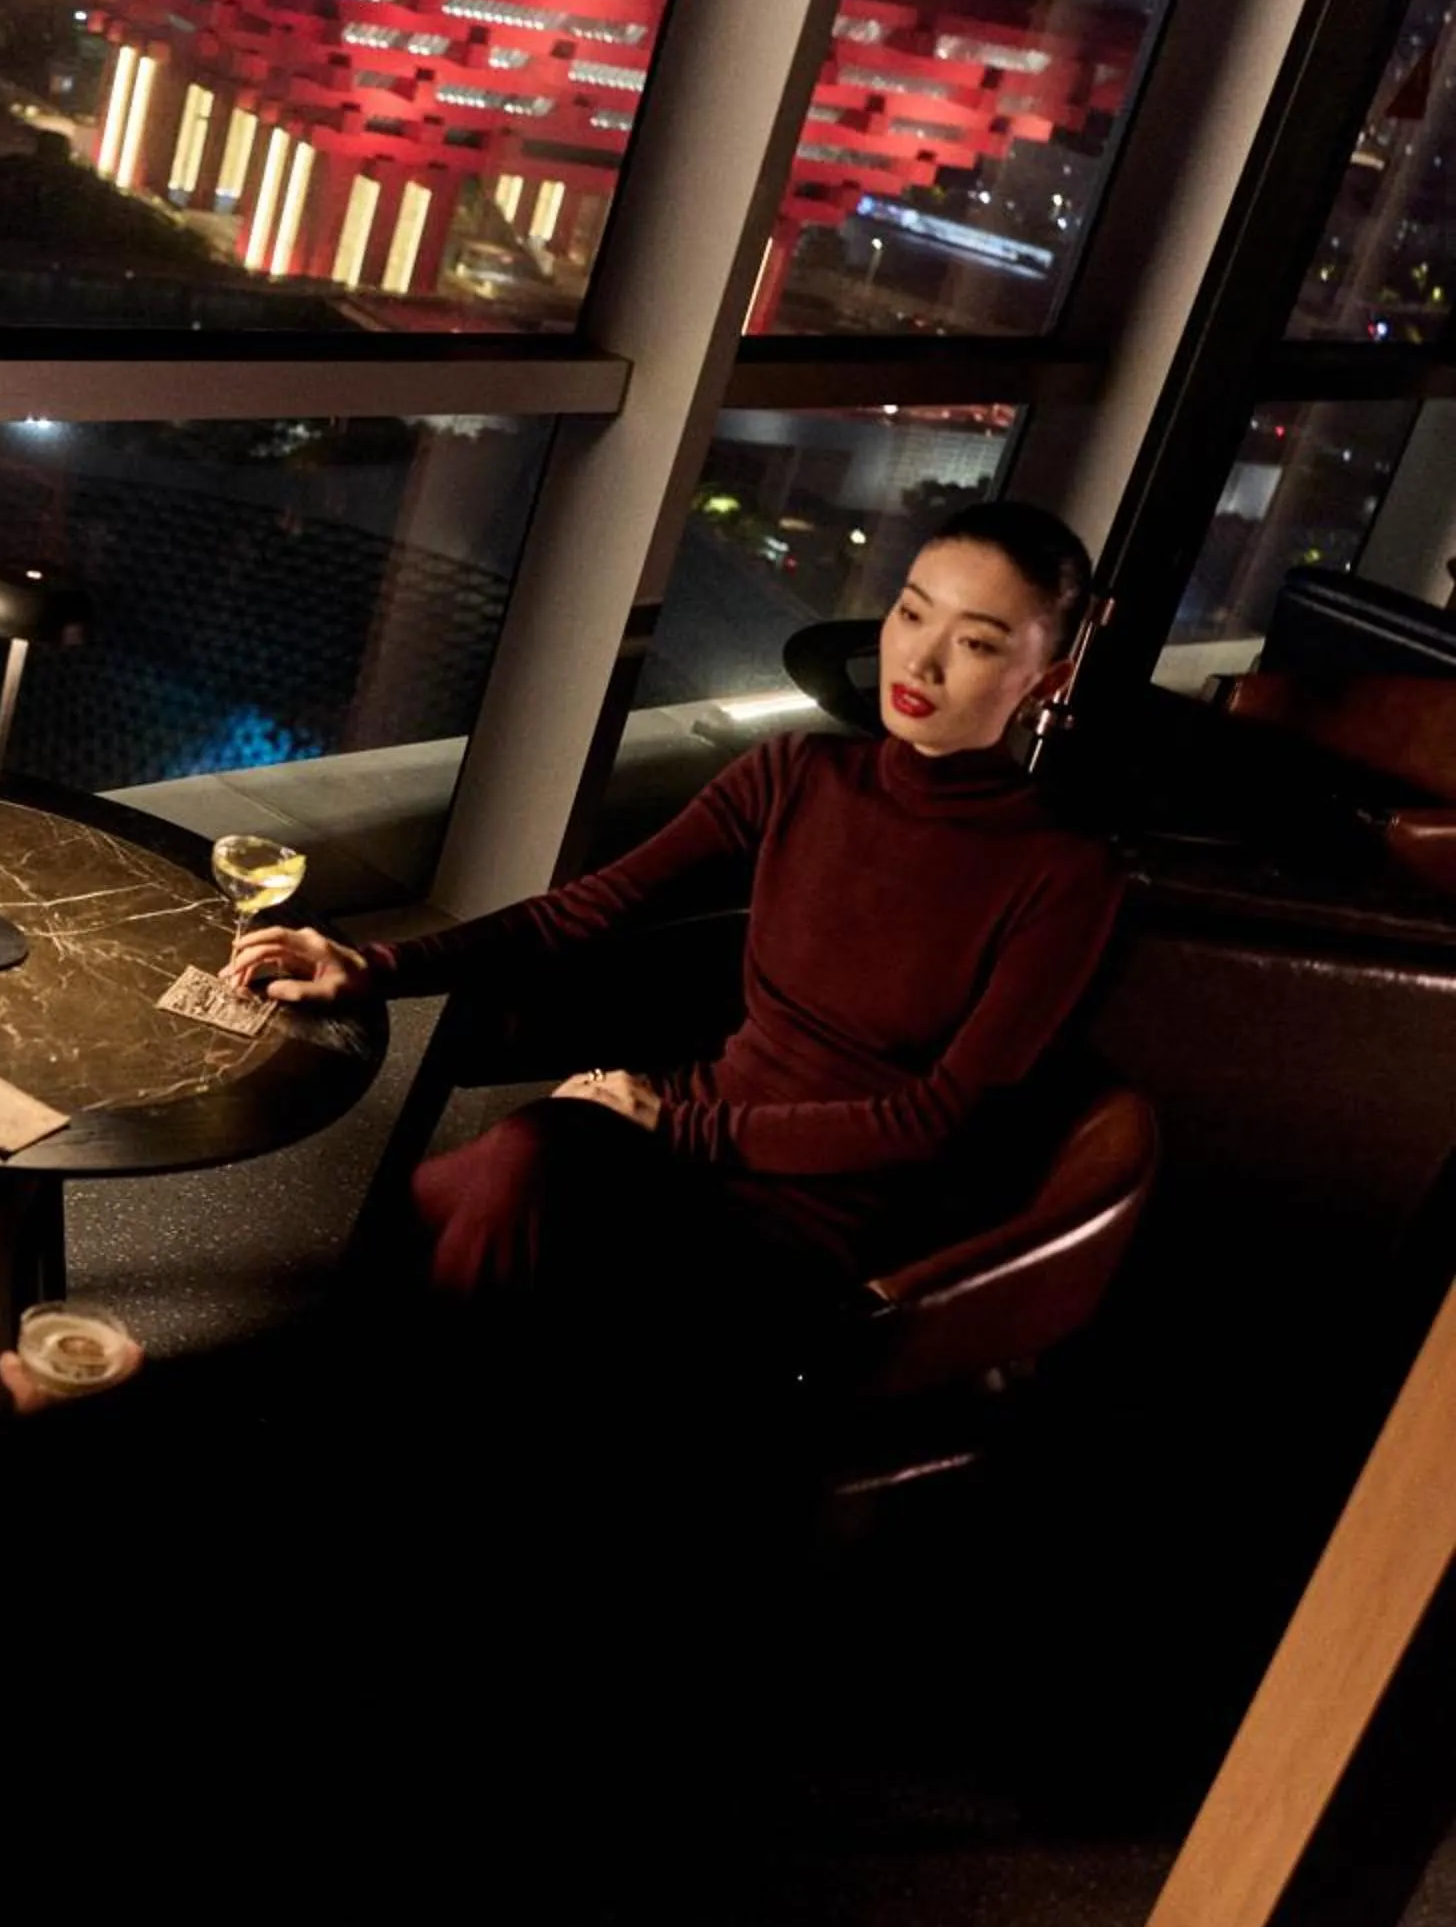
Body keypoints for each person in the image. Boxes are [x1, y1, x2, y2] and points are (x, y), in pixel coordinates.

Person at [225, 501, 1127, 1359]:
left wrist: (681, 1126)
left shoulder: (1063, 873)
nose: (920, 662)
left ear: (1046, 678)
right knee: (462, 1204)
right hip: (682, 1125)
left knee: (493, 1195)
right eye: (911, 613)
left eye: (974, 643)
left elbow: (936, 1123)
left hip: (820, 1211)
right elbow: (588, 907)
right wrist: (374, 964)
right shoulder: (799, 774)